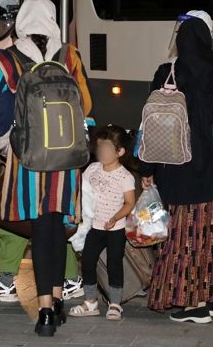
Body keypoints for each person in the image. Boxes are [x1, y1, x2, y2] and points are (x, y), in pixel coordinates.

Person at [0, 0, 93, 337]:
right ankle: (57, 299)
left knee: (39, 230)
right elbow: (86, 102)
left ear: (22, 21)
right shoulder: (70, 55)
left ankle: (46, 314)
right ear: (52, 19)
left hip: (28, 161)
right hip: (66, 160)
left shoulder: (10, 58)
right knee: (55, 229)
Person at [142, 15, 213, 324]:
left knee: (186, 236)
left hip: (180, 171)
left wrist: (147, 167)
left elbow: (151, 124)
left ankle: (193, 303)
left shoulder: (168, 73)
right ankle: (212, 297)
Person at [69, 126, 136, 321]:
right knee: (88, 262)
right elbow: (81, 192)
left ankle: (115, 303)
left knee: (114, 264)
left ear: (120, 152)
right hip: (93, 227)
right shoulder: (92, 169)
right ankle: (90, 301)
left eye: (107, 149)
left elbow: (129, 203)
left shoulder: (125, 177)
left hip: (115, 229)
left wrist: (115, 218)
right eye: (100, 148)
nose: (102, 153)